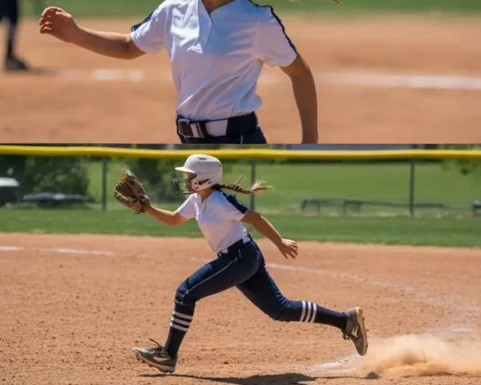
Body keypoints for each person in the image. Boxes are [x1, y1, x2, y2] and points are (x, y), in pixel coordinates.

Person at [39, 0, 355, 143]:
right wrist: (76, 34)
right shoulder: (173, 10)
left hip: (238, 140)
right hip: (186, 140)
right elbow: (128, 46)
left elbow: (300, 73)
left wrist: (310, 142)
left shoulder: (257, 21)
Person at [122, 153, 367, 373]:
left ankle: (168, 355)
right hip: (241, 257)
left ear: (205, 178)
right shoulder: (197, 199)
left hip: (240, 257)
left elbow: (256, 218)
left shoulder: (220, 201)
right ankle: (345, 320)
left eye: (191, 175)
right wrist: (147, 207)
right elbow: (174, 220)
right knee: (279, 309)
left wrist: (280, 242)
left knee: (185, 293)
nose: (186, 179)